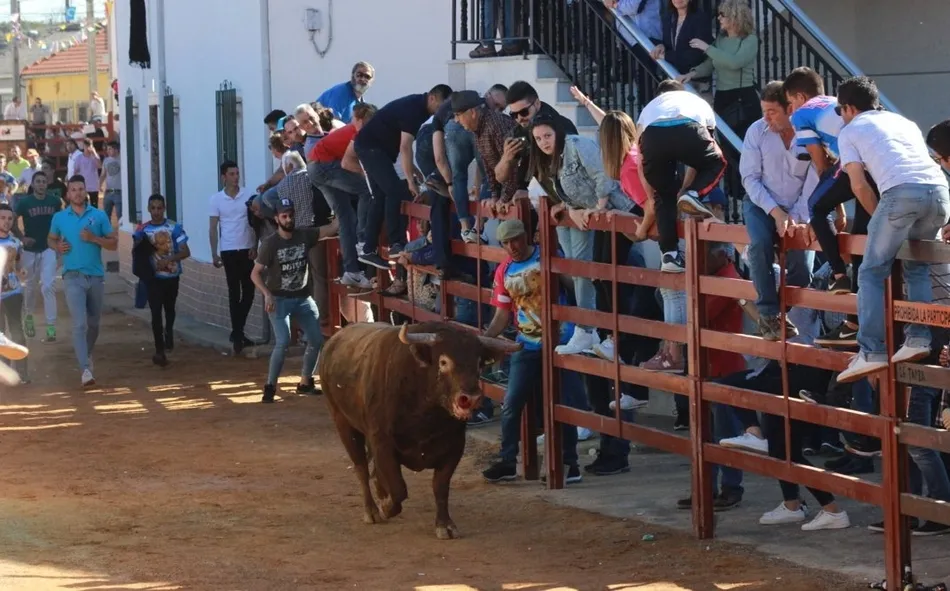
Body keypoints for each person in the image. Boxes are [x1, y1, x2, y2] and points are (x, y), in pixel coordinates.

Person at [832, 76, 950, 383]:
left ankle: (871, 351)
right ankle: (918, 338)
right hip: (940, 193)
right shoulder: (904, 122)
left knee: (871, 271)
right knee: (917, 267)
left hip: (901, 194)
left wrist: (880, 221)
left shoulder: (850, 130)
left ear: (849, 108)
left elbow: (858, 185)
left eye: (840, 110)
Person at [480, 219, 581, 484]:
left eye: (515, 240)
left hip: (561, 341)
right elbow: (502, 314)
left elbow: (574, 287)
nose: (512, 247)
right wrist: (486, 339)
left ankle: (570, 462)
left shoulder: (547, 257)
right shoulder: (504, 271)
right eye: (506, 243)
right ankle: (508, 461)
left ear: (526, 237)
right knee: (512, 402)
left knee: (564, 404)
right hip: (527, 342)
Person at [527, 113, 633, 355]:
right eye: (538, 139)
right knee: (594, 273)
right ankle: (599, 334)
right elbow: (571, 191)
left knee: (606, 275)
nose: (543, 142)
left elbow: (602, 176)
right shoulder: (550, 159)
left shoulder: (577, 145)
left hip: (617, 210)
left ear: (557, 132)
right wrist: (569, 207)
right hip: (598, 218)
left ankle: (610, 338)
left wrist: (598, 207)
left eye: (547, 136)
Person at [739, 80, 814, 340]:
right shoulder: (756, 131)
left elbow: (814, 180)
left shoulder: (807, 134)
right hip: (761, 202)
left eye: (772, 112)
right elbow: (750, 179)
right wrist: (776, 213)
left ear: (789, 109)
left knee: (802, 270)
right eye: (764, 111)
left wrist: (795, 216)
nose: (766, 118)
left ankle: (781, 311)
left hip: (799, 205)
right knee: (760, 244)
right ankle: (768, 313)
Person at [354, 85, 453, 268]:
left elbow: (403, 146)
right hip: (372, 148)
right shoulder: (415, 110)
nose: (441, 112)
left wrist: (414, 170)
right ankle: (396, 243)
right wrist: (409, 181)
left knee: (380, 197)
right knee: (395, 191)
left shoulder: (416, 105)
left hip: (373, 148)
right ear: (432, 98)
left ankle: (368, 249)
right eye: (441, 106)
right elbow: (405, 147)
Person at [251, 198, 338, 403]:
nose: (288, 219)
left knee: (316, 339)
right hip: (278, 299)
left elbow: (331, 229)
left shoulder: (304, 235)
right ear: (276, 218)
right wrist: (267, 294)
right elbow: (255, 273)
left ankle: (306, 382)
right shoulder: (270, 243)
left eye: (291, 215)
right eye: (284, 216)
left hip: (303, 298)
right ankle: (270, 386)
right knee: (282, 341)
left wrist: (341, 208)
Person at [636, 79, 726, 272]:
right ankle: (693, 195)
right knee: (717, 163)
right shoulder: (696, 101)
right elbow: (702, 159)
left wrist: (651, 197)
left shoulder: (650, 107)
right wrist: (690, 191)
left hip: (652, 136)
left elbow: (640, 160)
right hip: (689, 128)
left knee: (663, 195)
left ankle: (669, 255)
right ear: (682, 91)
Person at [48, 175, 117, 387]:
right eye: (73, 190)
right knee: (79, 324)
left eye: (81, 189)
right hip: (72, 276)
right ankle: (85, 369)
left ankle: (86, 354)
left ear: (86, 191)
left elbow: (113, 244)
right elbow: (51, 239)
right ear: (68, 194)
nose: (77, 193)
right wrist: (57, 247)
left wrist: (94, 238)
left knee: (94, 324)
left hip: (95, 276)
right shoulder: (60, 217)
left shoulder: (99, 215)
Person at [309, 102, 378, 289]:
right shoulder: (360, 132)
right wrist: (370, 176)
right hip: (324, 165)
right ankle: (362, 240)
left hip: (316, 167)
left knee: (346, 219)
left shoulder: (356, 129)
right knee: (367, 190)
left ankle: (352, 272)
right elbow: (348, 164)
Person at [678, 0, 760, 137]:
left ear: (734, 16)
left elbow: (735, 62)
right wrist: (691, 74)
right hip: (722, 96)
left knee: (745, 139)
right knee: (725, 140)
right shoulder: (721, 39)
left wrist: (707, 48)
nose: (719, 18)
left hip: (743, 96)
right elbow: (710, 64)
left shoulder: (750, 40)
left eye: (723, 15)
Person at [134, 194, 191, 367]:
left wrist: (169, 260)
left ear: (164, 208)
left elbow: (186, 251)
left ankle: (169, 331)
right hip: (153, 278)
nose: (156, 212)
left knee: (170, 308)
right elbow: (137, 252)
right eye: (153, 208)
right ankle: (159, 349)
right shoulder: (142, 230)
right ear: (148, 209)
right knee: (156, 312)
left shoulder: (174, 227)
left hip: (172, 276)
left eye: (159, 208)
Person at [209, 160, 257, 355]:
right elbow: (213, 227)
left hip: (246, 248)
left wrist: (255, 245)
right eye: (232, 174)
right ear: (224, 177)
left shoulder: (248, 195)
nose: (236, 177)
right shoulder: (216, 199)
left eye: (237, 173)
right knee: (234, 292)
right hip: (228, 250)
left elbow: (255, 222)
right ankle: (238, 335)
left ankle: (237, 331)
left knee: (249, 291)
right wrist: (214, 253)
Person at [14, 170, 61, 342]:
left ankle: (51, 326)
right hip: (29, 250)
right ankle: (28, 316)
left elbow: (61, 222)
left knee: (48, 286)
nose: (41, 184)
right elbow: (12, 220)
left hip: (48, 248)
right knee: (30, 286)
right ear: (33, 184)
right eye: (38, 181)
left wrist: (59, 243)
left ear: (47, 184)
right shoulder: (25, 202)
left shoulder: (55, 201)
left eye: (43, 181)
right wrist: (22, 238)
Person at [0, 203, 28, 382]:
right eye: (2, 218)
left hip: (13, 293)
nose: (7, 222)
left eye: (10, 218)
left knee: (17, 331)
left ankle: (23, 372)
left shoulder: (16, 243)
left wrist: (21, 272)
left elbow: (19, 266)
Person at [99, 141, 122, 223]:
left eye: (110, 149)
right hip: (108, 191)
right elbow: (103, 174)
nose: (107, 151)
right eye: (107, 149)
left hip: (119, 192)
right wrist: (99, 184)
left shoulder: (123, 159)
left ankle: (121, 230)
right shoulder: (106, 160)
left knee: (120, 216)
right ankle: (107, 230)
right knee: (106, 215)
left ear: (116, 149)